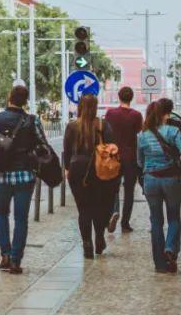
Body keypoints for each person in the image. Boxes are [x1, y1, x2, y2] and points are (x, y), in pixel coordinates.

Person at [0, 84, 46, 274]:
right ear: (25, 101)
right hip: (25, 176)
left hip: (2, 176)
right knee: (21, 219)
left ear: (10, 97)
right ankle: (16, 260)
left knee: (1, 214)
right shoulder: (32, 121)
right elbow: (43, 146)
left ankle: (5, 254)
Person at [138, 100, 181, 273]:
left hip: (151, 180)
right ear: (164, 114)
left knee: (156, 221)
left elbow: (140, 161)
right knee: (174, 217)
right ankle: (170, 249)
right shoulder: (173, 131)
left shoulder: (142, 135)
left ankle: (159, 264)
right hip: (171, 179)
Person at [63, 93, 116, 259]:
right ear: (95, 107)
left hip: (77, 169)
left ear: (80, 107)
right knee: (99, 205)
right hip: (98, 169)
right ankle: (99, 237)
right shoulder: (102, 124)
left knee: (83, 208)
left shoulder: (72, 126)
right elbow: (111, 147)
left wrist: (67, 169)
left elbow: (66, 151)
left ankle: (87, 243)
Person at [104, 86, 143, 233]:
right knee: (129, 191)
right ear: (131, 98)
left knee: (113, 188)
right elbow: (139, 133)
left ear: (119, 97)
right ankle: (125, 223)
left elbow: (106, 131)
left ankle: (114, 211)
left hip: (113, 156)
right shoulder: (136, 115)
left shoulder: (110, 114)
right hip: (130, 158)